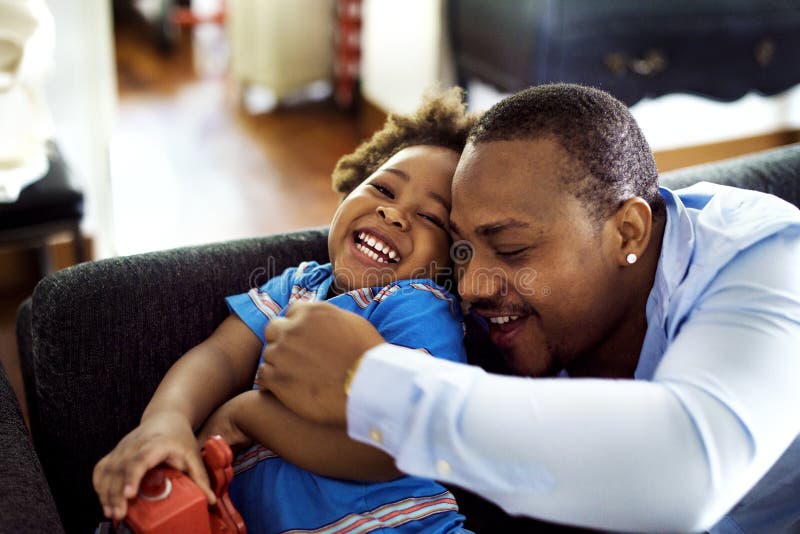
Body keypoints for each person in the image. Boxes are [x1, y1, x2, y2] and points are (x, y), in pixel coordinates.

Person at [256, 83, 800, 533]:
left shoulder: (769, 257)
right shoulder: (480, 304)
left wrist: (371, 381)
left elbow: (690, 474)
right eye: (462, 248)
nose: (472, 286)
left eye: (512, 249)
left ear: (626, 231)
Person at [93, 87, 478, 533]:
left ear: (453, 262)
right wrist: (166, 420)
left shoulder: (418, 304)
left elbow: (400, 445)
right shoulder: (298, 284)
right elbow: (219, 354)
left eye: (430, 217)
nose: (394, 215)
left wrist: (250, 415)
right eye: (383, 189)